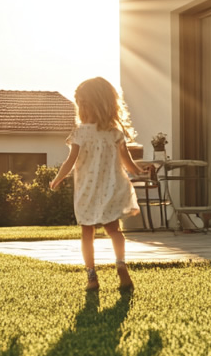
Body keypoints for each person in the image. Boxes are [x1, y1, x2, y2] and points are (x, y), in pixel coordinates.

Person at [50, 76, 143, 291]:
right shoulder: (114, 133)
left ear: (86, 106)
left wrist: (57, 178)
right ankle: (121, 265)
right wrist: (140, 171)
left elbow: (70, 162)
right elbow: (128, 164)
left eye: (81, 103)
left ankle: (92, 277)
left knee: (87, 233)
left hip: (87, 192)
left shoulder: (80, 133)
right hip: (110, 190)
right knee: (114, 230)